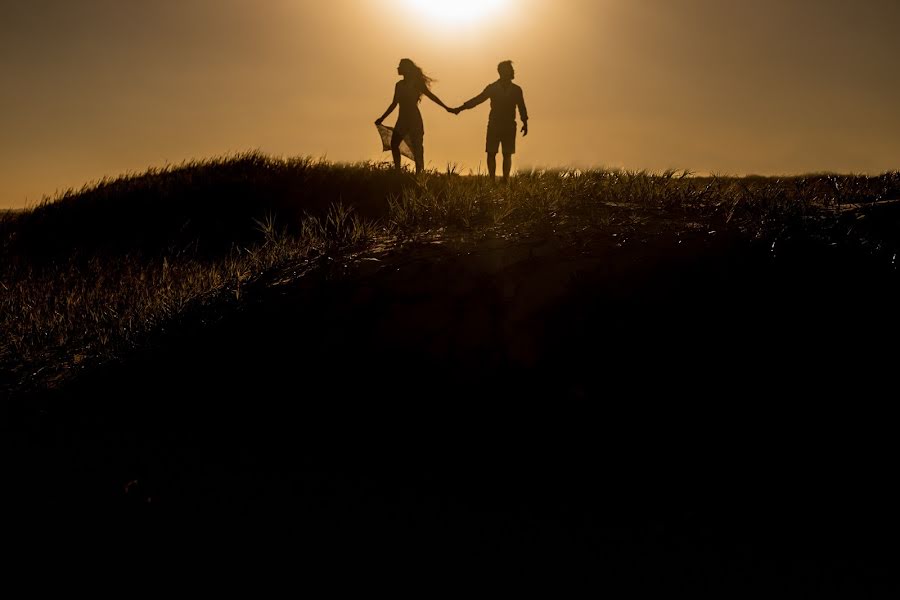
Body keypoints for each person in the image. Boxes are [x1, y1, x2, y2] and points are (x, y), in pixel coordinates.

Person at [452, 60, 528, 182]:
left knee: (507, 154)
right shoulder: (492, 88)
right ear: (501, 72)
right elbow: (477, 100)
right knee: (491, 152)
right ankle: (492, 180)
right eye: (506, 70)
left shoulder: (516, 90)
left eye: (510, 70)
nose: (510, 72)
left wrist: (525, 122)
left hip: (509, 125)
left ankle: (505, 180)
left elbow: (521, 106)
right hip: (494, 124)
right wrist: (461, 108)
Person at [375, 58, 454, 174]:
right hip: (402, 119)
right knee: (394, 143)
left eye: (400, 66)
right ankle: (398, 172)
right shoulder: (399, 85)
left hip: (414, 118)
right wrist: (382, 118)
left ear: (406, 69)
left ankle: (419, 173)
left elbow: (432, 96)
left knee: (417, 146)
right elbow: (394, 104)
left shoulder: (416, 84)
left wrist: (446, 107)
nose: (398, 68)